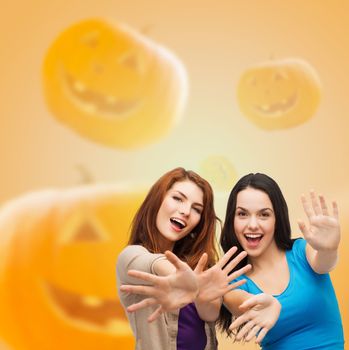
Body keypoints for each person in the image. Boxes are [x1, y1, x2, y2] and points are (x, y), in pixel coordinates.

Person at [116, 167, 251, 350]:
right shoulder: (131, 256)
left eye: (197, 209)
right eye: (177, 198)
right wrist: (186, 280)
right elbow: (154, 264)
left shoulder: (200, 267)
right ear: (158, 199)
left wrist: (201, 292)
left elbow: (210, 315)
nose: (186, 211)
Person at [218, 173, 344, 349]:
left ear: (277, 218)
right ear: (232, 220)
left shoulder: (301, 251)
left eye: (264, 214)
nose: (253, 224)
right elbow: (240, 303)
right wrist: (262, 306)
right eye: (242, 214)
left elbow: (324, 263)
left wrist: (328, 249)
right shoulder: (233, 280)